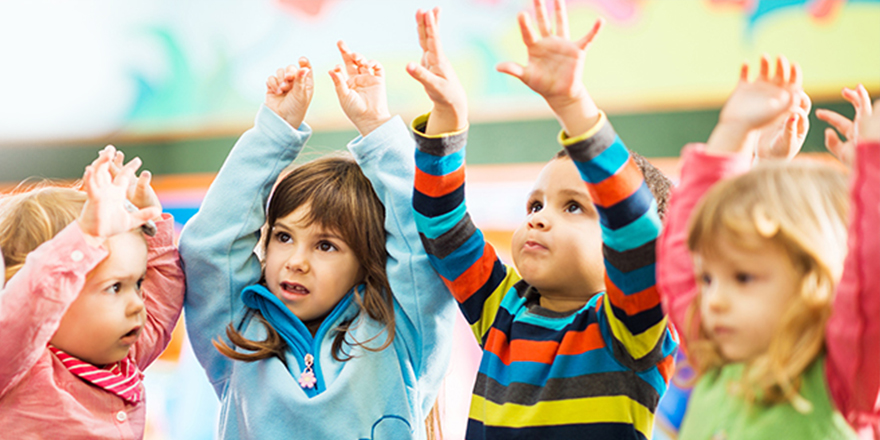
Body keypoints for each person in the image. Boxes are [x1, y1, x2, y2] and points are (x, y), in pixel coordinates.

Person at [406, 1, 677, 438]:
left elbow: (635, 231)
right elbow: (442, 226)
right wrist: (449, 117)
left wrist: (573, 104)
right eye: (535, 206)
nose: (539, 220)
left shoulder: (632, 330)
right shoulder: (503, 309)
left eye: (573, 207)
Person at [178, 42, 455, 439]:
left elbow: (424, 248)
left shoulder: (401, 335)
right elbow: (209, 248)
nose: (295, 261)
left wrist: (377, 127)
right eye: (284, 237)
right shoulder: (239, 336)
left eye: (326, 246)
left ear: (369, 260)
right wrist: (273, 131)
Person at [656, 53, 880, 438]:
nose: (714, 300)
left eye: (743, 278)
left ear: (814, 278)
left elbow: (870, 279)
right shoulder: (715, 358)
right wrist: (732, 133)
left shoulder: (837, 377)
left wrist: (873, 165)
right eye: (708, 280)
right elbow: (683, 253)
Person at [0, 146, 184, 439]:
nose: (138, 305)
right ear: (58, 293)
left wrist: (150, 221)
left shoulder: (120, 359)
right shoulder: (16, 367)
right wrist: (84, 236)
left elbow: (163, 302)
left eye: (138, 283)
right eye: (115, 287)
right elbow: (28, 304)